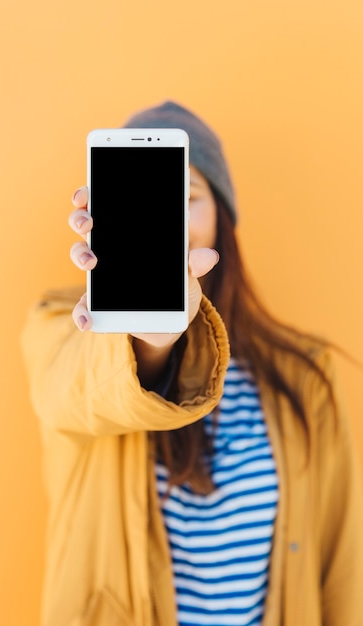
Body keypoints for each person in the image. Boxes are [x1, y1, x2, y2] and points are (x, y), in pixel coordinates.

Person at [21, 101, 363, 626]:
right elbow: (75, 391)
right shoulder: (68, 329)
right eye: (149, 198)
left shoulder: (305, 376)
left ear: (222, 219)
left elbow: (340, 571)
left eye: (187, 198)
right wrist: (151, 342)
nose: (167, 217)